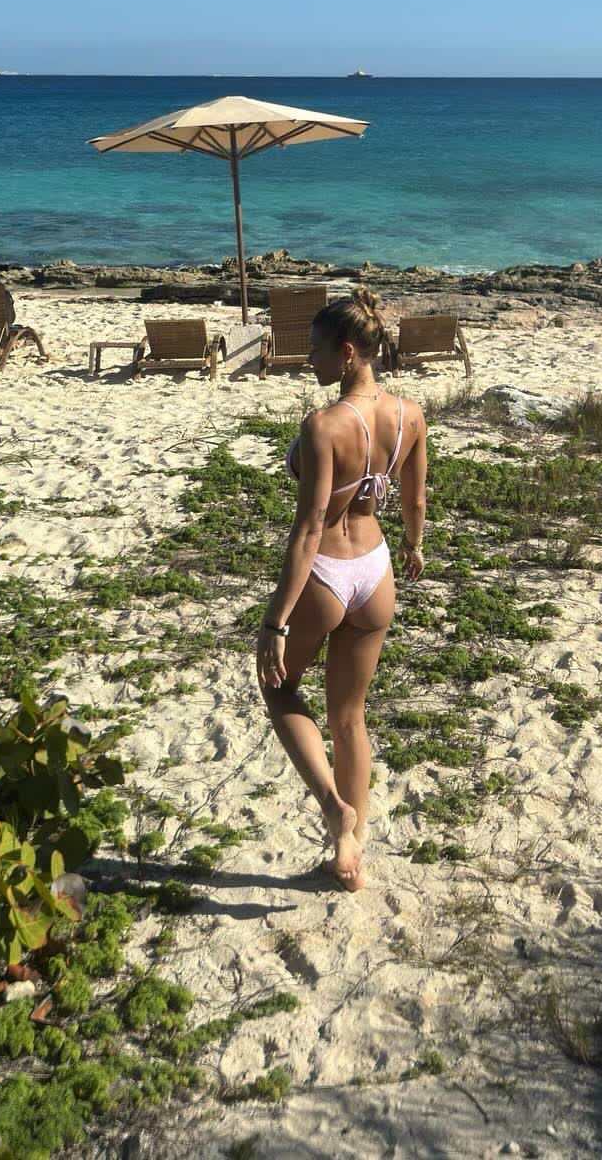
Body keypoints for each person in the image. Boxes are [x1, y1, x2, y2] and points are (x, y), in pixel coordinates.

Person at [256, 287, 427, 892]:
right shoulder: (410, 414)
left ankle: (335, 811)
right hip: (376, 571)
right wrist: (413, 546)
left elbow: (309, 530)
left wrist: (276, 621)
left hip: (328, 570)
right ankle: (350, 854)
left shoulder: (324, 425)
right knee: (350, 716)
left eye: (315, 349)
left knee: (278, 687)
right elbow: (414, 500)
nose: (308, 359)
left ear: (348, 352)